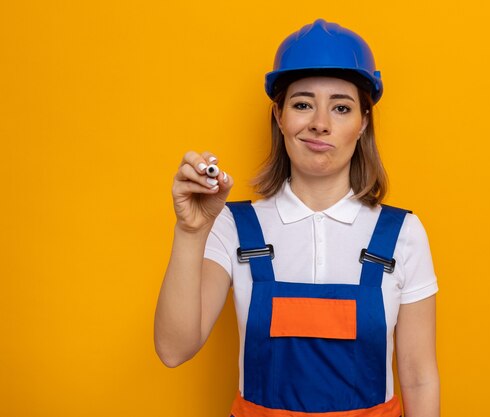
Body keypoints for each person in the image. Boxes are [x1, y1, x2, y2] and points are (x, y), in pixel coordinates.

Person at [154, 19, 440, 417]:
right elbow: (173, 349)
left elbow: (419, 377)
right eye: (303, 104)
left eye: (341, 107)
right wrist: (190, 231)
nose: (320, 122)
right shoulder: (233, 226)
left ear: (363, 123)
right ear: (279, 117)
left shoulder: (402, 234)